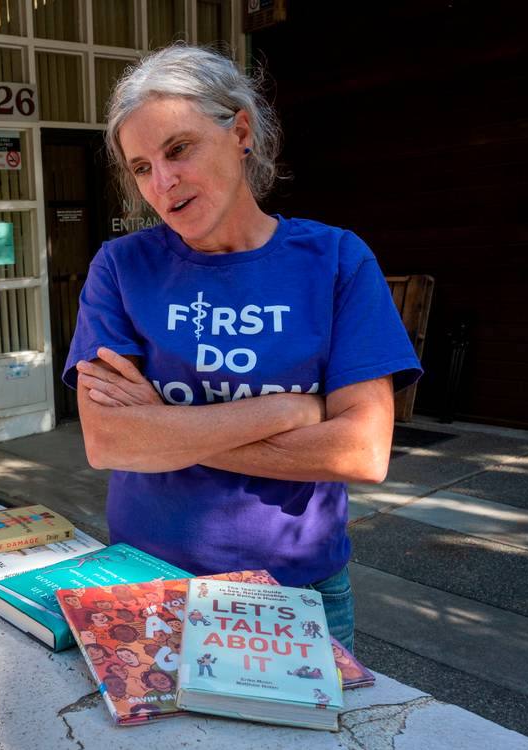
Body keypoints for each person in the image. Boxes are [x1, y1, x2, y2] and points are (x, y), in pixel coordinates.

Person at [62, 45, 422, 655]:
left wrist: (166, 429)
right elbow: (110, 442)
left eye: (178, 150)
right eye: (142, 166)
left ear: (241, 134)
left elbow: (361, 452)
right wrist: (287, 411)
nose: (163, 181)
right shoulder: (121, 267)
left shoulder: (335, 260)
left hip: (296, 591)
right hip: (146, 579)